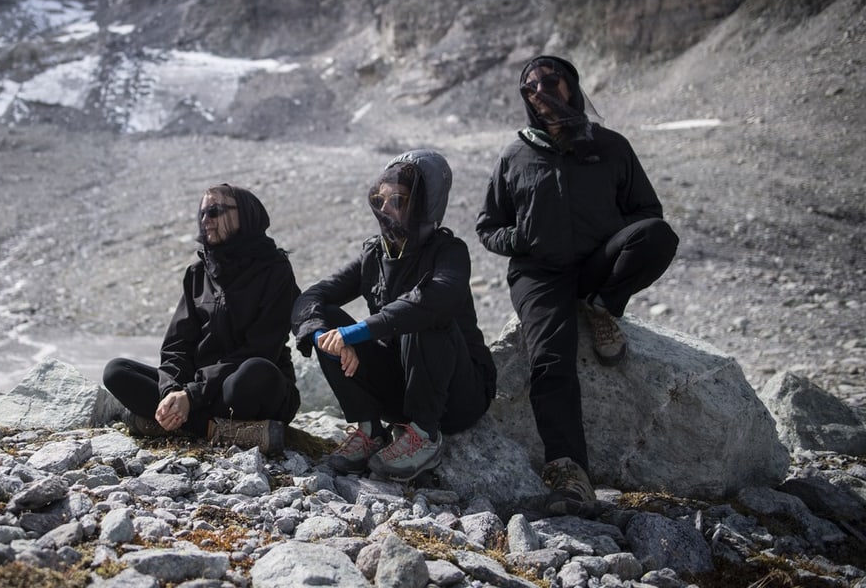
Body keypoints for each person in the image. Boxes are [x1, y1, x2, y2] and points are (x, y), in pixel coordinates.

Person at [476, 55, 678, 515]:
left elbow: (647, 211)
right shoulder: (515, 154)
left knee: (657, 237)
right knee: (550, 360)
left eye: (552, 81)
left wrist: (609, 252)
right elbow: (488, 226)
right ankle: (570, 474)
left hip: (595, 265)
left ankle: (602, 306)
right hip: (539, 274)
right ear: (525, 99)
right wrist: (521, 238)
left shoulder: (610, 146)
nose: (542, 90)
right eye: (531, 87)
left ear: (572, 85)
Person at [291, 149, 497, 481]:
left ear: (425, 204)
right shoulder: (374, 253)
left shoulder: (449, 252)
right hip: (402, 387)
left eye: (397, 201)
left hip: (459, 394)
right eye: (380, 199)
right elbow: (311, 297)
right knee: (326, 316)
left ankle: (424, 436)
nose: (384, 208)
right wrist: (326, 337)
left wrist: (357, 333)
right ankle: (371, 430)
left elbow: (435, 300)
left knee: (422, 314)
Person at [102, 183, 300, 455]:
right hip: (198, 391)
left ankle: (167, 422)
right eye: (202, 213)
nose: (205, 221)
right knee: (117, 371)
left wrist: (192, 395)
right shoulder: (197, 273)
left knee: (253, 373)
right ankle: (212, 428)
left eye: (215, 212)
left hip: (247, 388)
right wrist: (172, 391)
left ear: (245, 215)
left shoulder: (276, 271)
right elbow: (176, 346)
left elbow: (261, 348)